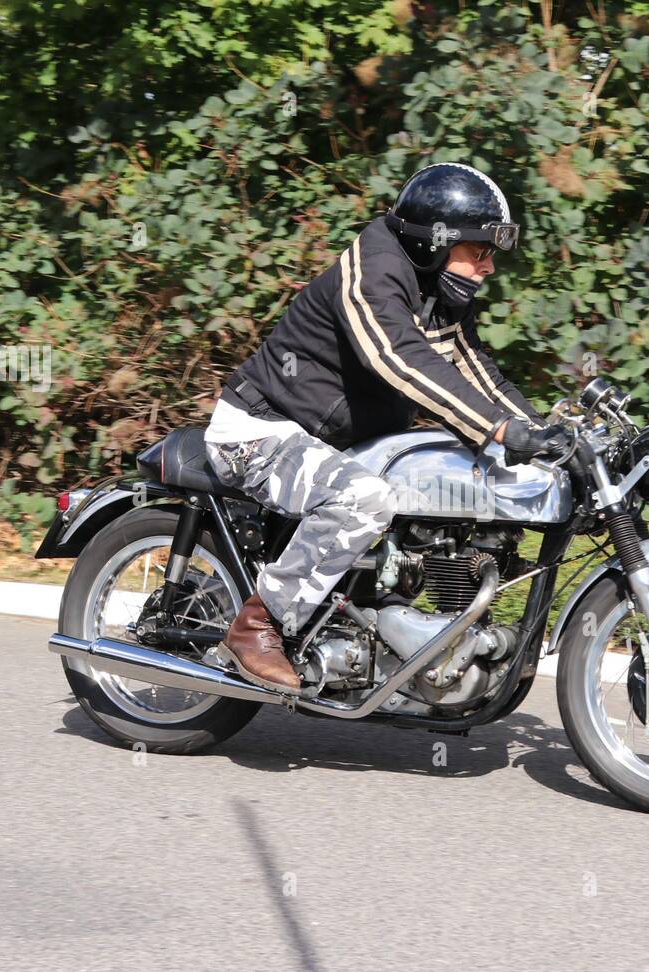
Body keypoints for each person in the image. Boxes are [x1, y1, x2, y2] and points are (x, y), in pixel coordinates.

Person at [205, 163, 570, 691]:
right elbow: (399, 359)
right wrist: (498, 428)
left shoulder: (437, 290)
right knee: (365, 500)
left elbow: (472, 368)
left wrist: (538, 433)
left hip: (335, 443)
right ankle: (256, 626)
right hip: (262, 431)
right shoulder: (373, 271)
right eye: (479, 251)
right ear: (434, 244)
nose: (488, 267)